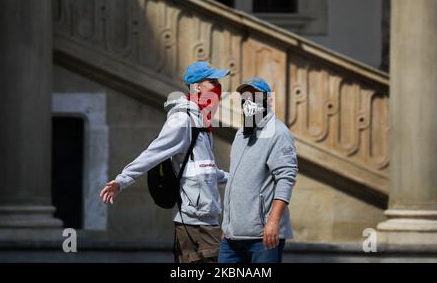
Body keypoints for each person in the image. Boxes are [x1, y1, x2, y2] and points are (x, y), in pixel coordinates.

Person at [99, 61, 230, 263]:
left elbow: (206, 171)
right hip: (194, 222)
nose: (217, 86)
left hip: (205, 218)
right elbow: (154, 152)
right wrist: (122, 180)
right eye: (212, 81)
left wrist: (240, 178)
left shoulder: (201, 123)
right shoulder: (183, 119)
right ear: (196, 87)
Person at [219, 77, 298, 263]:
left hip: (263, 238)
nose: (250, 101)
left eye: (255, 96)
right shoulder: (241, 133)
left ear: (268, 100)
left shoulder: (279, 133)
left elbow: (286, 179)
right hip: (232, 238)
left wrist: (273, 222)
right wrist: (227, 225)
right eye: (245, 96)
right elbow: (237, 181)